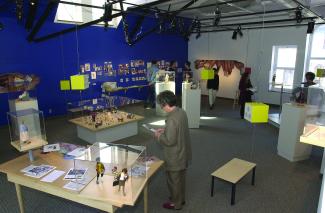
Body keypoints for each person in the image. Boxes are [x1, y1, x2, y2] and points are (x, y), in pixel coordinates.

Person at [154, 90, 192, 210]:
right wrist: (165, 130)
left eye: (161, 104)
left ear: (165, 104)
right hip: (184, 152)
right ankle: (181, 199)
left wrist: (159, 136)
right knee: (181, 179)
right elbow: (178, 129)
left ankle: (176, 204)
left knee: (173, 180)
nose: (161, 107)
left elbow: (169, 141)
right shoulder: (181, 112)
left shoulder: (171, 119)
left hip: (175, 156)